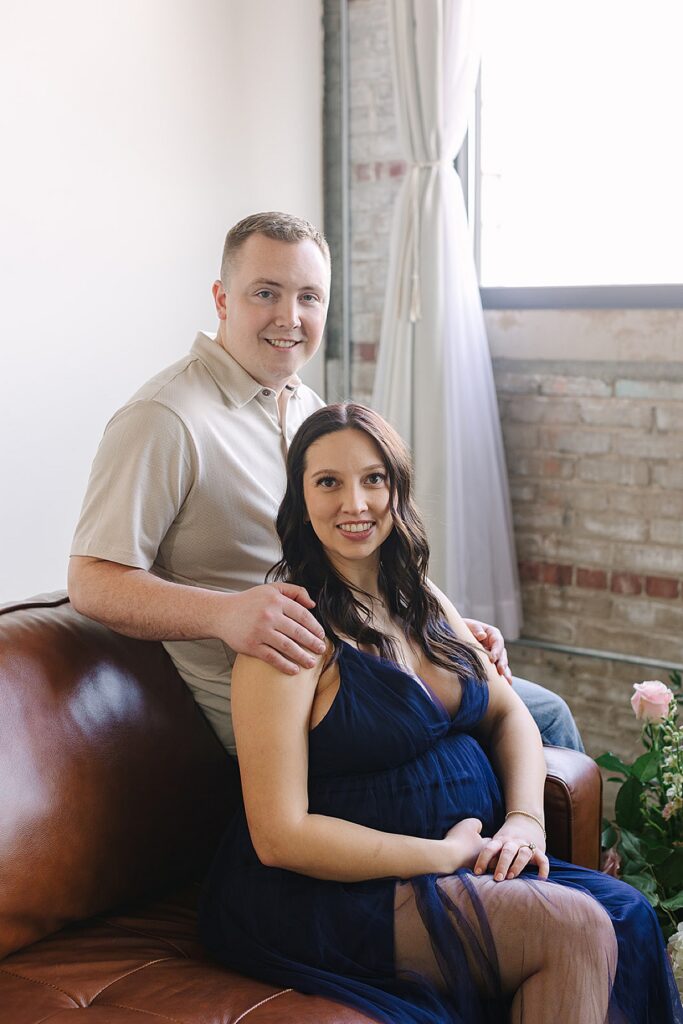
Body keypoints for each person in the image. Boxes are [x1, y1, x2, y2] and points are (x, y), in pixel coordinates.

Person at [199, 403, 682, 1024]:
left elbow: (509, 715)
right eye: (328, 482)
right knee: (570, 928)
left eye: (374, 479)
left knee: (627, 915)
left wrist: (525, 821)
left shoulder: (422, 599)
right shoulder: (289, 635)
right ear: (299, 498)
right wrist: (442, 856)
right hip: (338, 893)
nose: (356, 502)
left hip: (464, 858)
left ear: (398, 488)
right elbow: (278, 836)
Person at [68, 210, 582, 757]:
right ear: (221, 299)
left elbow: (346, 559)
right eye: (265, 293)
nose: (289, 317)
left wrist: (432, 633)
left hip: (365, 667)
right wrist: (224, 614)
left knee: (536, 713)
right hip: (286, 712)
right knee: (541, 720)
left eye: (309, 297)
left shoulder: (308, 406)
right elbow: (92, 580)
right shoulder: (164, 418)